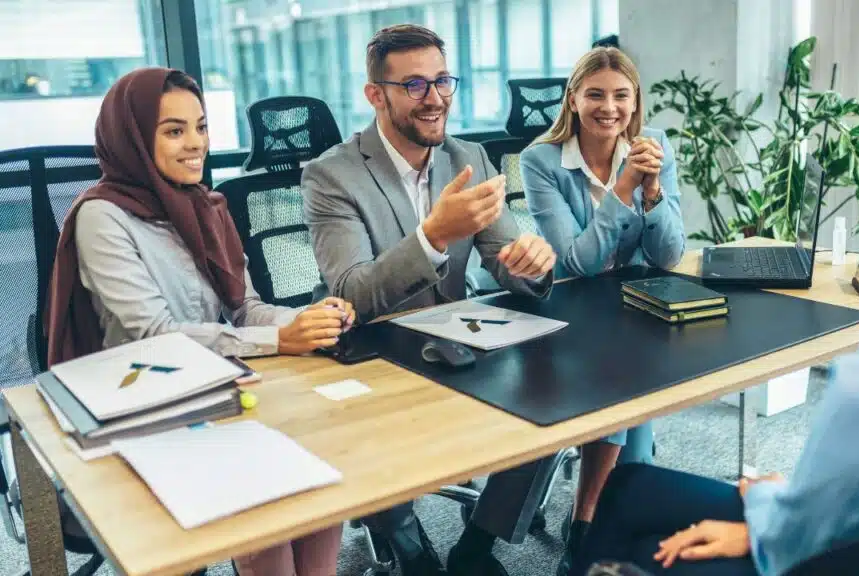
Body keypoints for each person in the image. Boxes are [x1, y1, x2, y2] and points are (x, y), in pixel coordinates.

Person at [570, 57, 859, 576]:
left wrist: (764, 507)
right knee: (630, 486)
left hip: (815, 558)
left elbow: (798, 532)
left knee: (635, 512)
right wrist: (789, 497)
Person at [45, 67, 352, 576]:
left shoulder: (208, 206)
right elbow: (155, 336)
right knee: (267, 514)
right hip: (144, 409)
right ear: (134, 139)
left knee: (324, 481)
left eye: (201, 127)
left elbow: (244, 309)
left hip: (222, 391)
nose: (196, 144)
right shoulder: (102, 216)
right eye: (174, 130)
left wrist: (308, 320)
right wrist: (279, 339)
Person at [301, 24, 557, 576]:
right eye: (415, 85)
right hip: (369, 346)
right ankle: (411, 548)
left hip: (456, 339)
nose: (436, 97)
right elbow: (353, 292)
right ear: (377, 95)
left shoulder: (471, 157)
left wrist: (530, 264)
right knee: (363, 428)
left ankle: (479, 542)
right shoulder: (330, 175)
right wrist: (433, 235)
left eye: (443, 80)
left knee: (557, 401)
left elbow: (502, 257)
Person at [519, 46, 685, 576]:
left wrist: (654, 191)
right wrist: (622, 190)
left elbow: (669, 255)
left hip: (635, 308)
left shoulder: (652, 147)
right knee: (625, 382)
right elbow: (576, 262)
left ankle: (594, 526)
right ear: (574, 98)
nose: (608, 107)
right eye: (595, 94)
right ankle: (589, 519)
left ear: (635, 102)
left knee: (627, 389)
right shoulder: (541, 161)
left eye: (620, 95)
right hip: (572, 311)